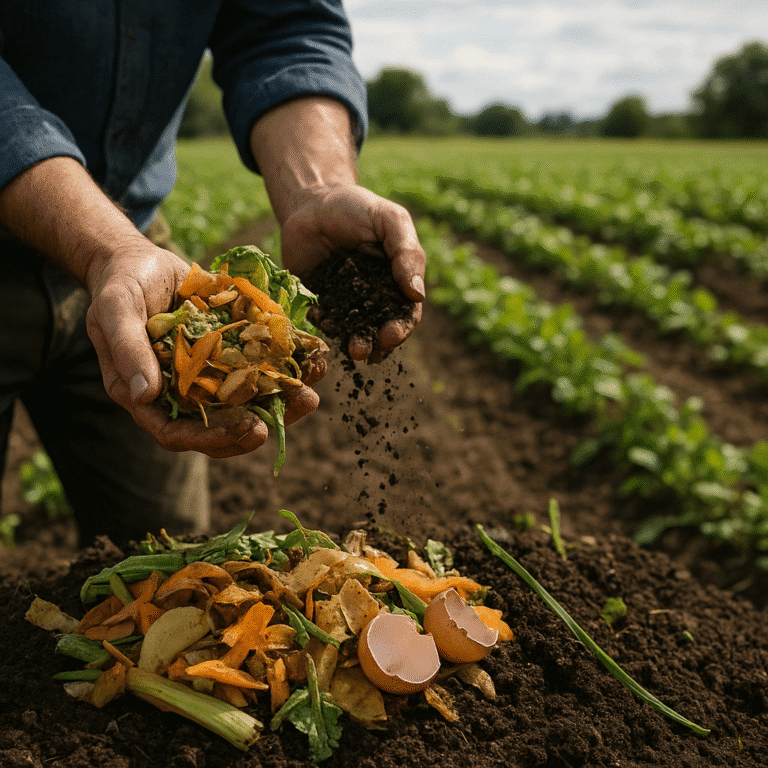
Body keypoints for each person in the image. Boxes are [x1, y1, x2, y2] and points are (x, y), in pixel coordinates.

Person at [0, 2, 426, 546]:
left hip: (132, 256)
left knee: (163, 550)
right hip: (112, 248)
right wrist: (103, 246)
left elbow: (284, 24)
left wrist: (315, 188)